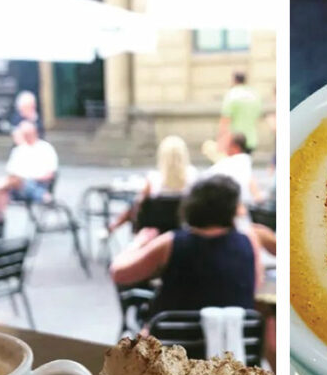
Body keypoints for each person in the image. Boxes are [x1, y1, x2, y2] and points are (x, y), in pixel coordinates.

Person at [111, 174, 263, 315]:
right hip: (233, 337)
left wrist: (137, 243)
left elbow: (119, 273)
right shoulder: (249, 240)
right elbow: (254, 285)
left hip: (175, 338)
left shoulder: (171, 242)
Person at [107, 135, 197, 249]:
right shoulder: (193, 176)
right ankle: (114, 226)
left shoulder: (154, 179)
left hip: (156, 233)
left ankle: (113, 226)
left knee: (134, 204)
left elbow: (140, 203)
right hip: (184, 228)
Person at [0, 121, 58, 213]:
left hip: (37, 183)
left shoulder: (45, 148)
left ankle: (40, 194)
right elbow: (11, 172)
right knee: (6, 186)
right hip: (16, 185)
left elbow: (50, 174)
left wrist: (31, 178)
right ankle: (0, 218)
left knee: (23, 183)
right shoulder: (19, 150)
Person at [205, 132, 263, 206]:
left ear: (235, 147)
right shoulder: (244, 163)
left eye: (226, 144)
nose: (224, 147)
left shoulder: (229, 163)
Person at [218, 71, 262, 153]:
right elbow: (257, 116)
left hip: (234, 142)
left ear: (234, 81)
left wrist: (221, 141)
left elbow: (225, 120)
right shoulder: (254, 94)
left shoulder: (232, 94)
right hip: (251, 139)